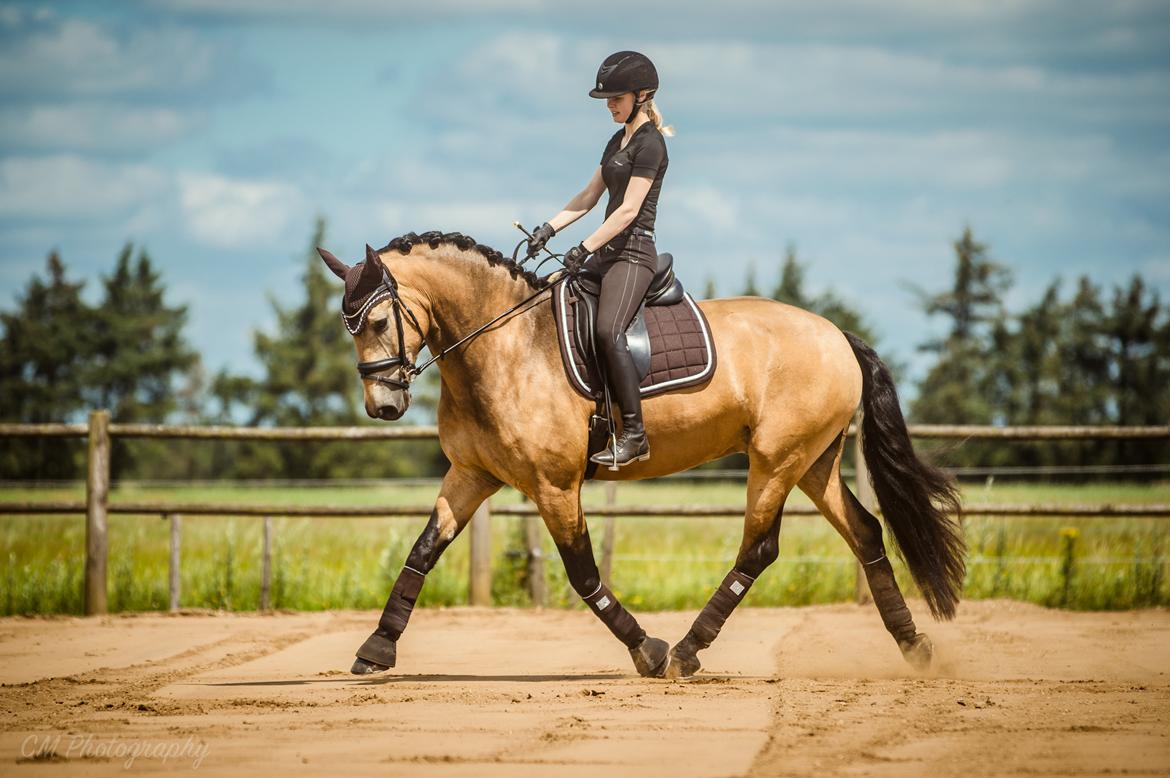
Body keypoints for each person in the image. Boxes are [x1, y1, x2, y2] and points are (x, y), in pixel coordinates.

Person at [528, 50, 673, 468]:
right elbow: (589, 196)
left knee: (609, 331)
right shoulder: (617, 141)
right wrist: (549, 228)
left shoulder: (651, 143)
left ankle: (635, 435)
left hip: (633, 253)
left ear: (641, 96)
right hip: (606, 252)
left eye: (616, 98)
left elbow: (627, 211)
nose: (610, 106)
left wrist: (583, 248)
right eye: (607, 100)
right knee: (549, 296)